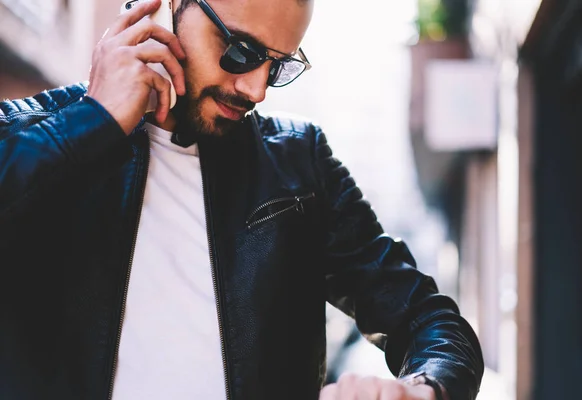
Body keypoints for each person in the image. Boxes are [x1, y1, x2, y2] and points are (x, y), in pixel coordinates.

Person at [0, 0, 484, 399]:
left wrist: (422, 391)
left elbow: (426, 316)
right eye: (239, 50)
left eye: (278, 67)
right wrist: (95, 121)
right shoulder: (30, 134)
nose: (256, 88)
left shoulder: (299, 162)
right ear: (165, 10)